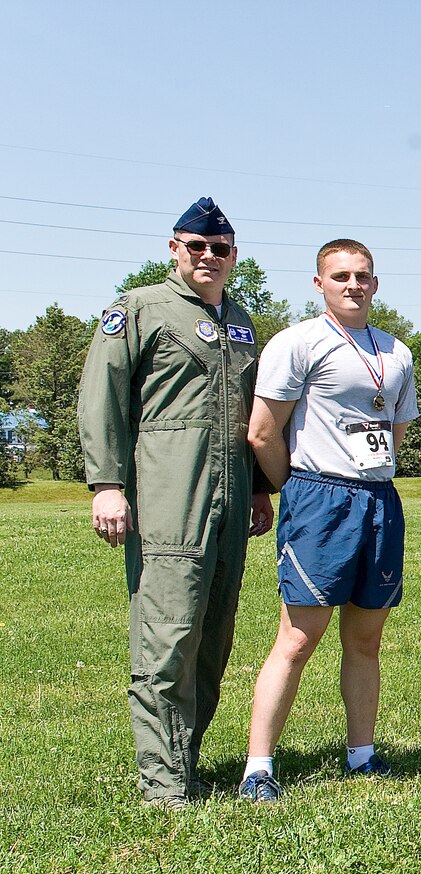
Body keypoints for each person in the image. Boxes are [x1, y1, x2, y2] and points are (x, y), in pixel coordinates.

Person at [80, 197, 275, 810]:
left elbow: (255, 416)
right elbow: (102, 395)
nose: (209, 258)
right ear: (174, 249)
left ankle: (184, 759)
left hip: (232, 498)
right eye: (197, 247)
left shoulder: (242, 321)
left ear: (234, 256)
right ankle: (164, 785)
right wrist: (107, 484)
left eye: (220, 249)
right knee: (168, 636)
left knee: (213, 638)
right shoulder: (140, 309)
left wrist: (263, 489)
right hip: (169, 498)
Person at [236, 239, 418, 802]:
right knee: (296, 638)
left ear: (376, 282)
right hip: (319, 498)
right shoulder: (297, 343)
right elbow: (263, 432)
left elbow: (397, 431)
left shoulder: (397, 352)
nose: (353, 284)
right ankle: (259, 767)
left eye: (363, 275)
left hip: (378, 498)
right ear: (319, 283)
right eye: (340, 276)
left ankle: (361, 754)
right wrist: (290, 487)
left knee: (366, 640)